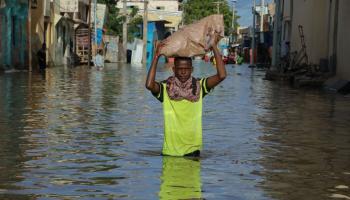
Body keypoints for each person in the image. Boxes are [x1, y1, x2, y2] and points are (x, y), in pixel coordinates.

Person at [145, 33, 226, 157]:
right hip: (170, 153)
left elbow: (222, 75)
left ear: (192, 70)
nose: (183, 72)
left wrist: (214, 46)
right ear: (174, 70)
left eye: (186, 69)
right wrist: (156, 56)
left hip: (192, 152)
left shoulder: (199, 87)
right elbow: (149, 85)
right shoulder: (166, 88)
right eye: (180, 69)